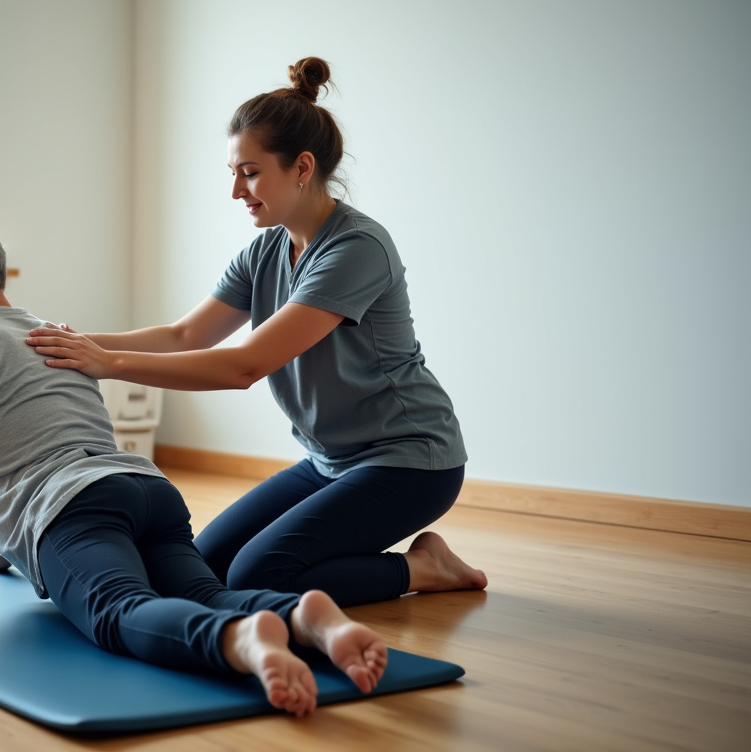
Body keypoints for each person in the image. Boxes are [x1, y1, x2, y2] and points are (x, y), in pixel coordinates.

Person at [0, 210, 389, 718]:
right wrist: (15, 543)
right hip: (145, 491)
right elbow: (48, 440)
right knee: (204, 592)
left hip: (75, 510)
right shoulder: (58, 338)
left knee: (118, 611)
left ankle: (238, 639)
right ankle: (305, 616)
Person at [25, 58, 488, 608]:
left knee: (256, 576)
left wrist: (106, 364)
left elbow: (243, 366)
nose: (237, 191)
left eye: (249, 172)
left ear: (301, 167)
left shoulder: (356, 248)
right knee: (202, 567)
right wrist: (78, 344)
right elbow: (184, 335)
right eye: (232, 173)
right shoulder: (266, 249)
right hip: (329, 462)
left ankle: (421, 568)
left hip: (410, 461)